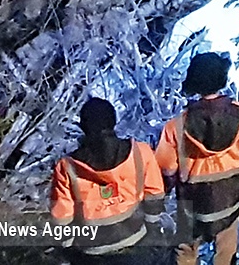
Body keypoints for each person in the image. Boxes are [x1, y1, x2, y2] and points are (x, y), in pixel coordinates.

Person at [155, 53, 239, 265]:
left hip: (192, 206)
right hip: (230, 201)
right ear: (222, 79)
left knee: (185, 251)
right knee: (226, 248)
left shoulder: (176, 126)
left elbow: (166, 167)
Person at [49, 98, 167, 264]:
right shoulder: (140, 152)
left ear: (83, 126)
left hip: (92, 252)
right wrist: (153, 229)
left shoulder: (67, 166)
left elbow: (62, 216)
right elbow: (154, 195)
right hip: (136, 243)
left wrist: (67, 251)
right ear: (114, 121)